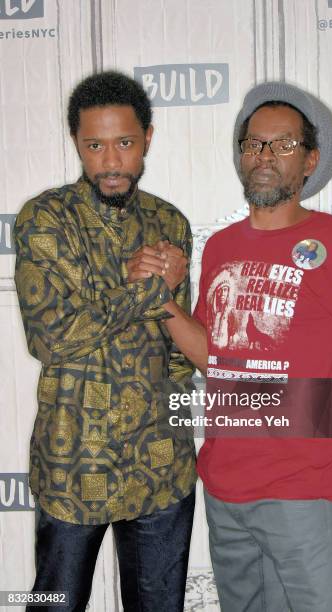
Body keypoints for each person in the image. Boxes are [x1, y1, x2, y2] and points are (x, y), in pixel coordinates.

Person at [133, 82, 332, 612]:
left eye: (282, 146)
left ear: (310, 160)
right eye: (254, 144)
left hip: (306, 492)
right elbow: (213, 356)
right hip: (226, 491)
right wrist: (161, 300)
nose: (264, 156)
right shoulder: (221, 247)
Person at [13, 70, 196, 612]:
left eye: (124, 143)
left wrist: (182, 434)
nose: (111, 162)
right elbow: (52, 337)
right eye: (95, 145)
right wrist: (146, 291)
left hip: (161, 467)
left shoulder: (170, 223)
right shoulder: (44, 219)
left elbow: (178, 353)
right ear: (76, 143)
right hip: (72, 467)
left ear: (147, 140)